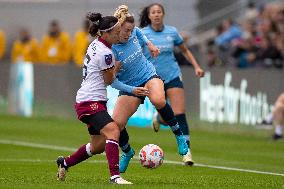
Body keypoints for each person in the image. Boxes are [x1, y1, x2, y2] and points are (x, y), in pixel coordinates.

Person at [56, 12, 132, 184]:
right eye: (117, 31)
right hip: (90, 101)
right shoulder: (106, 54)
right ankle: (115, 177)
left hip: (90, 99)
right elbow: (109, 80)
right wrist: (116, 69)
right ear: (106, 33)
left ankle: (65, 162)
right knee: (113, 130)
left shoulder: (95, 44)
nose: (120, 34)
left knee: (98, 146)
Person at [110, 5, 188, 173]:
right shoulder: (110, 50)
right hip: (130, 87)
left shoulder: (134, 32)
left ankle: (179, 136)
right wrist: (131, 90)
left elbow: (139, 32)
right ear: (116, 30)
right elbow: (112, 82)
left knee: (158, 100)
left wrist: (150, 44)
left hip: (148, 75)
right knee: (116, 124)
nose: (129, 34)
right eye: (126, 31)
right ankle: (127, 152)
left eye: (131, 30)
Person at [139, 3, 205, 165]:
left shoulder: (172, 32)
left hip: (173, 75)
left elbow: (185, 50)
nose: (156, 15)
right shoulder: (142, 34)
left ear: (163, 14)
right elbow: (136, 54)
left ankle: (186, 152)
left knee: (180, 113)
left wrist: (196, 66)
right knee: (167, 113)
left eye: (159, 12)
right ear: (148, 16)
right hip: (153, 79)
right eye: (153, 12)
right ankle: (160, 119)